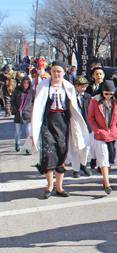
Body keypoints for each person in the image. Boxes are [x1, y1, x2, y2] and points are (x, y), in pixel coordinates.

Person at [25, 60, 89, 199]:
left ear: (64, 72)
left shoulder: (68, 87)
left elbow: (74, 108)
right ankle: (49, 186)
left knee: (61, 154)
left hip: (63, 123)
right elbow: (38, 109)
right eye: (54, 71)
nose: (56, 74)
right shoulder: (43, 85)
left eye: (59, 71)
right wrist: (34, 130)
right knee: (48, 155)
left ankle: (59, 187)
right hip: (47, 123)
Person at [88, 80, 117, 194]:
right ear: (102, 92)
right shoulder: (95, 101)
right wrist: (98, 131)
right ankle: (107, 183)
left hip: (113, 134)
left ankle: (106, 179)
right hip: (100, 134)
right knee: (103, 158)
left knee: (110, 159)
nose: (109, 96)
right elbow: (91, 118)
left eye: (111, 93)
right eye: (106, 94)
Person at [70, 76, 93, 178]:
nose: (83, 88)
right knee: (77, 146)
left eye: (85, 86)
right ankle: (76, 169)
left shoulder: (88, 96)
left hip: (87, 124)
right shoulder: (70, 96)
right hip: (75, 123)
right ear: (76, 86)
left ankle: (83, 164)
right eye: (81, 86)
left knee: (86, 146)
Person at [11, 76, 35, 154]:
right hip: (18, 114)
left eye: (27, 83)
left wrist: (31, 111)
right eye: (24, 83)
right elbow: (12, 101)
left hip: (28, 114)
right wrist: (15, 109)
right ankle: (17, 143)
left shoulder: (32, 92)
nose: (25, 84)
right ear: (22, 83)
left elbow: (34, 103)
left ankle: (28, 148)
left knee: (28, 131)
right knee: (18, 132)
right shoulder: (17, 91)